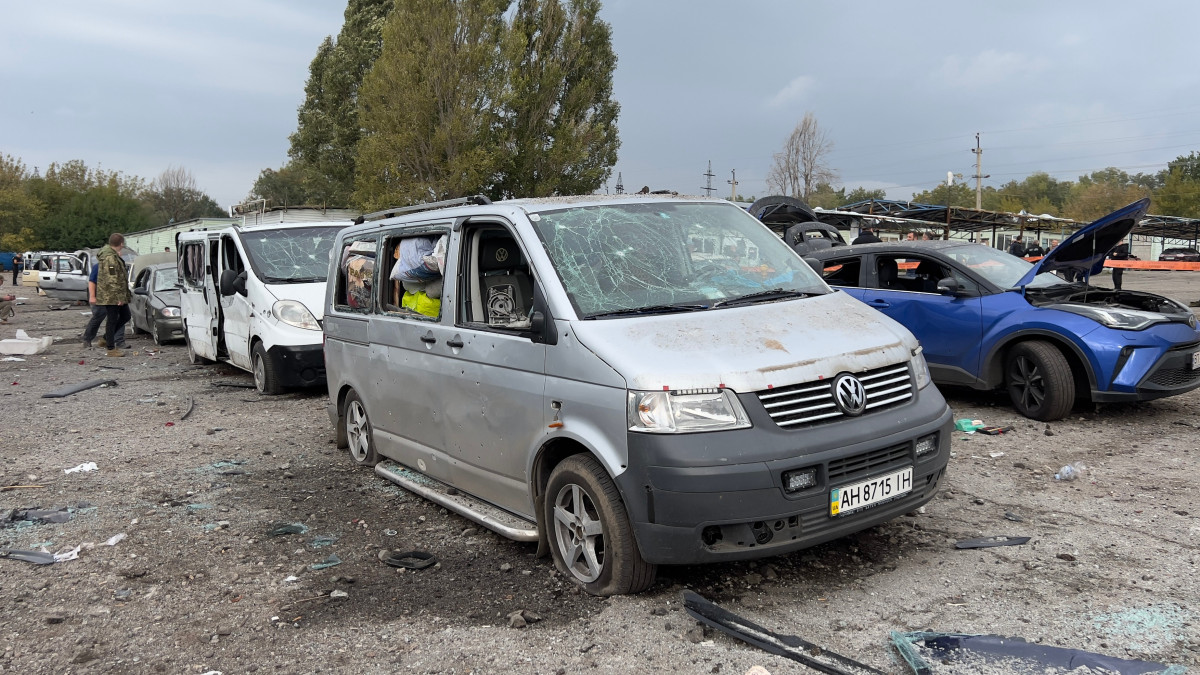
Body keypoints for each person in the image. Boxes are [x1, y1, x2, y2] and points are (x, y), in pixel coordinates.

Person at [96, 233, 132, 357]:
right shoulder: (109, 258)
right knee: (112, 320)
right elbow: (112, 278)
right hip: (111, 295)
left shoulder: (112, 255)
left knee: (126, 315)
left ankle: (106, 338)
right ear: (121, 243)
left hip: (115, 294)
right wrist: (119, 297)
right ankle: (111, 348)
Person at [81, 261, 127, 349]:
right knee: (98, 317)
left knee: (118, 318)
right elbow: (92, 282)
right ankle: (87, 339)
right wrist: (92, 296)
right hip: (100, 298)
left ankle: (119, 341)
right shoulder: (98, 267)